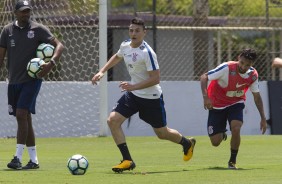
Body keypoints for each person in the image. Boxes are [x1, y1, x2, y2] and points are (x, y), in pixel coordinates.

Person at [91, 17, 196, 173]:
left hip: (151, 98)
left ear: (144, 32)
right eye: (131, 30)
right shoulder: (125, 45)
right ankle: (127, 160)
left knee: (162, 133)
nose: (133, 33)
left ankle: (187, 143)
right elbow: (117, 56)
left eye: (137, 31)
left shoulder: (147, 53)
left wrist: (132, 86)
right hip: (133, 95)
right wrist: (102, 71)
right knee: (113, 121)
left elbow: (155, 79)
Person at [0, 0, 64, 170]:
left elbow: (59, 45)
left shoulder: (38, 29)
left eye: (28, 11)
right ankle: (34, 160)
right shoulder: (7, 31)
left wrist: (50, 64)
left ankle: (17, 158)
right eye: (22, 11)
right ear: (15, 13)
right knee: (24, 118)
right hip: (13, 81)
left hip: (32, 79)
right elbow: (1, 57)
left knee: (21, 114)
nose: (26, 14)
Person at [200, 48, 267, 169]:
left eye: (248, 65)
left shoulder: (252, 75)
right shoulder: (226, 68)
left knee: (236, 128)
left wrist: (263, 118)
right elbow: (204, 77)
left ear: (252, 64)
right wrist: (206, 97)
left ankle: (232, 161)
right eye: (242, 62)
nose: (243, 66)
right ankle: (222, 132)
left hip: (236, 103)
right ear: (238, 58)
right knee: (215, 142)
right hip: (217, 104)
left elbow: (257, 97)